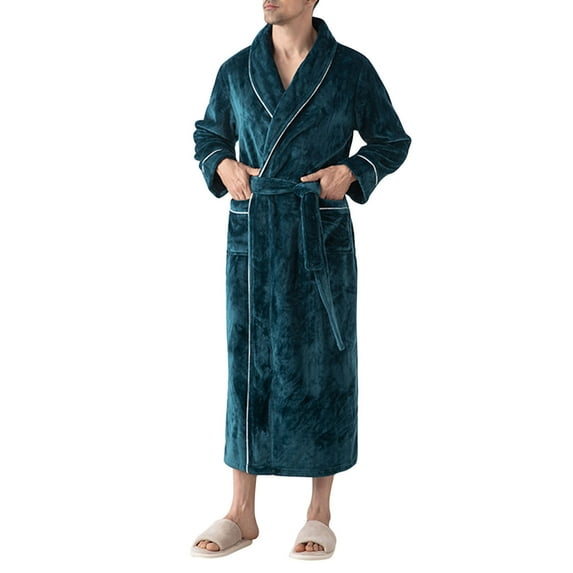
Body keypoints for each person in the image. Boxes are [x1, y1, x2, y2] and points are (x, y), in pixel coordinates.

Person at [192, 0, 410, 560]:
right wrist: (223, 164)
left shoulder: (350, 68)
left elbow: (392, 140)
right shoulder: (236, 69)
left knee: (323, 362)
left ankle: (319, 511)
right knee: (247, 362)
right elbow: (208, 135)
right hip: (254, 232)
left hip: (318, 232)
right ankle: (241, 512)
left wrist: (353, 171)